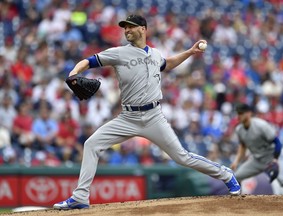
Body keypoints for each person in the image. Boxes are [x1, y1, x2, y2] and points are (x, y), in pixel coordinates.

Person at [53, 14, 241, 210]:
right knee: (91, 144)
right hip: (128, 117)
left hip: (153, 117)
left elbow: (167, 64)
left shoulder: (155, 54)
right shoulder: (118, 53)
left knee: (181, 157)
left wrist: (190, 52)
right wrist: (73, 73)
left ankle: (225, 174)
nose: (127, 30)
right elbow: (89, 61)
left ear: (143, 29)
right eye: (125, 28)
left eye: (131, 27)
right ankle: (81, 196)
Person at [230, 103, 283, 192]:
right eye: (238, 113)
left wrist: (275, 159)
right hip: (257, 160)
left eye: (241, 113)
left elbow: (277, 142)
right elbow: (243, 146)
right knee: (236, 177)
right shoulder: (239, 129)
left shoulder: (261, 125)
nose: (238, 116)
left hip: (272, 156)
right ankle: (238, 203)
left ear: (249, 113)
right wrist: (236, 162)